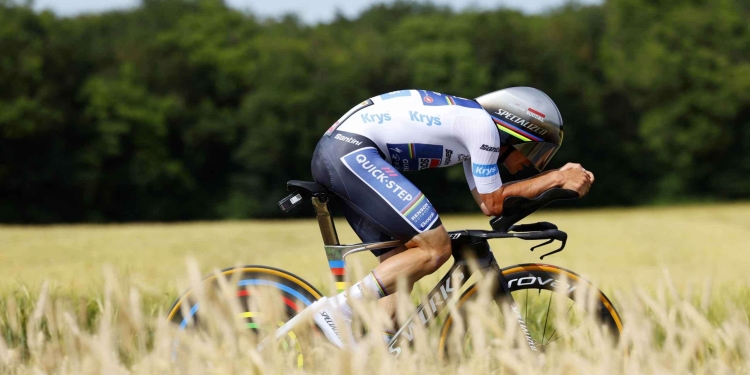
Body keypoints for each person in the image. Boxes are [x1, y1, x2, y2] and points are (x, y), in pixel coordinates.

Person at [307, 87, 594, 347]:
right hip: (351, 152)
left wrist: (553, 184)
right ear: (514, 131)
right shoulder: (482, 127)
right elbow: (495, 202)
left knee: (400, 263)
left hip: (342, 151)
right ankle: (339, 310)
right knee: (436, 248)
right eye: (533, 150)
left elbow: (487, 203)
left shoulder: (473, 127)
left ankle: (378, 349)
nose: (529, 163)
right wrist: (556, 177)